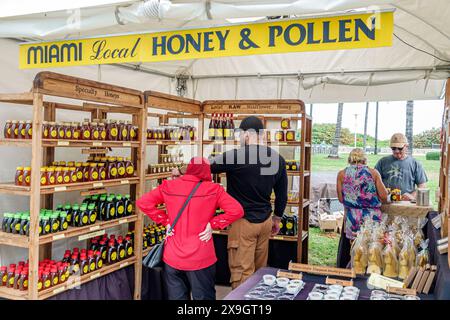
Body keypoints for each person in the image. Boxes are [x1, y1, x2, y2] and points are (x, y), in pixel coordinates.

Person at [173, 116, 288, 289]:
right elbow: (282, 194)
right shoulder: (277, 158)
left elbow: (204, 166)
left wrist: (180, 170)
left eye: (240, 135)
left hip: (243, 222)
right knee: (259, 273)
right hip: (265, 222)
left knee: (242, 273)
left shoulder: (236, 156)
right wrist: (277, 219)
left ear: (247, 135)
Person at [137, 157, 244, 300]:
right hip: (201, 256)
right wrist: (213, 224)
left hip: (172, 256)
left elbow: (143, 202)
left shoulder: (169, 186)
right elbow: (237, 210)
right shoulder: (214, 189)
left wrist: (165, 221)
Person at [336, 148, 388, 268]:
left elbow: (340, 198)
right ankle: (371, 272)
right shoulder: (373, 173)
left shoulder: (342, 174)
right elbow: (384, 196)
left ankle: (355, 271)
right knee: (372, 248)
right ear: (364, 159)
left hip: (352, 217)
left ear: (350, 159)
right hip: (371, 217)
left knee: (355, 249)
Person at [374, 133, 428, 201]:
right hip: (386, 202)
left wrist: (412, 196)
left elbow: (422, 186)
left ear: (406, 146)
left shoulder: (415, 163)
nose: (396, 151)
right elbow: (373, 182)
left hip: (406, 203)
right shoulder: (382, 162)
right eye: (393, 148)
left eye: (400, 148)